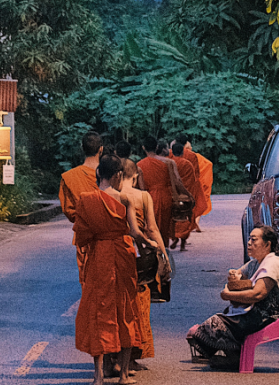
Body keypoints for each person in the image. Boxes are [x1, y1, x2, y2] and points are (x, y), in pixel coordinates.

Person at [75, 154, 156, 385]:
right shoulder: (124, 199)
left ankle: (98, 376)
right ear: (118, 175)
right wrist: (151, 245)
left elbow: (81, 236)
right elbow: (134, 232)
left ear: (98, 173)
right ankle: (122, 376)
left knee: (99, 312)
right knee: (126, 309)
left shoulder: (86, 199)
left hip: (99, 256)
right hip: (122, 255)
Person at [186, 225, 279, 366]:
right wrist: (234, 275)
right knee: (208, 326)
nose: (249, 243)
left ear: (267, 244)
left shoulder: (273, 263)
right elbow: (238, 272)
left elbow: (257, 294)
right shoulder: (256, 263)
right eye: (249, 239)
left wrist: (229, 295)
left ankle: (235, 358)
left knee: (212, 325)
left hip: (267, 315)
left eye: (254, 240)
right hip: (255, 313)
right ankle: (235, 355)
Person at [120, 158, 170, 371]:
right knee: (139, 304)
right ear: (135, 176)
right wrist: (164, 256)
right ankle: (131, 357)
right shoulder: (142, 196)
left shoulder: (109, 196)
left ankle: (114, 356)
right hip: (140, 257)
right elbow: (152, 229)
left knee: (119, 305)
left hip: (117, 254)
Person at [60, 131, 104, 284]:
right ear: (101, 149)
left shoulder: (70, 177)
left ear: (82, 148)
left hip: (83, 234)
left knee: (87, 280)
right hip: (109, 234)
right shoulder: (110, 175)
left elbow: (69, 210)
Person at [136, 135, 189, 246]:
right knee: (164, 228)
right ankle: (163, 249)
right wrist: (187, 194)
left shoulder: (139, 165)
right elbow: (177, 181)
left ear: (143, 148)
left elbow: (141, 188)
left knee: (150, 227)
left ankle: (154, 251)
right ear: (156, 147)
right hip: (166, 196)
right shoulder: (168, 162)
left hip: (149, 198)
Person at [176, 135, 212, 232]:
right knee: (199, 201)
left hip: (177, 183)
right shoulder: (194, 156)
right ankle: (195, 221)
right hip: (190, 183)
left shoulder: (173, 154)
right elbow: (204, 167)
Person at [169, 142, 201, 251]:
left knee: (173, 218)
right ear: (182, 152)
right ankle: (182, 244)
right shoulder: (188, 164)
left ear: (172, 152)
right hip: (185, 196)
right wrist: (191, 196)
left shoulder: (168, 164)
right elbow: (192, 181)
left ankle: (174, 238)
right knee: (186, 218)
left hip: (172, 196)